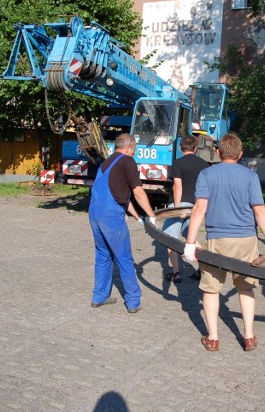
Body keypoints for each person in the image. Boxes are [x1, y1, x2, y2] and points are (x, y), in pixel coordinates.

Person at [183, 133, 265, 352]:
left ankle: (213, 338)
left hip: (218, 239)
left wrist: (190, 241)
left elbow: (199, 209)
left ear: (218, 152)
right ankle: (249, 337)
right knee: (246, 288)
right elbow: (260, 211)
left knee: (211, 290)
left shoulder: (207, 174)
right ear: (241, 154)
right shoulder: (250, 176)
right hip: (247, 240)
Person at [88, 133, 156, 314]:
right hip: (111, 215)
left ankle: (99, 296)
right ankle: (133, 301)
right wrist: (152, 216)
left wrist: (137, 217)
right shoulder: (127, 161)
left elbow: (120, 196)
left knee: (103, 255)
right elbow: (138, 192)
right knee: (124, 257)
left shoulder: (106, 163)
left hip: (95, 212)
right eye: (134, 149)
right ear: (127, 147)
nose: (134, 152)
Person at [161, 135, 209, 283]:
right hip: (195, 207)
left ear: (181, 148)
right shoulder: (205, 165)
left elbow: (177, 186)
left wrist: (177, 207)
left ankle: (176, 273)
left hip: (180, 205)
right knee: (192, 237)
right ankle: (203, 269)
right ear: (195, 148)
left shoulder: (178, 163)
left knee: (171, 240)